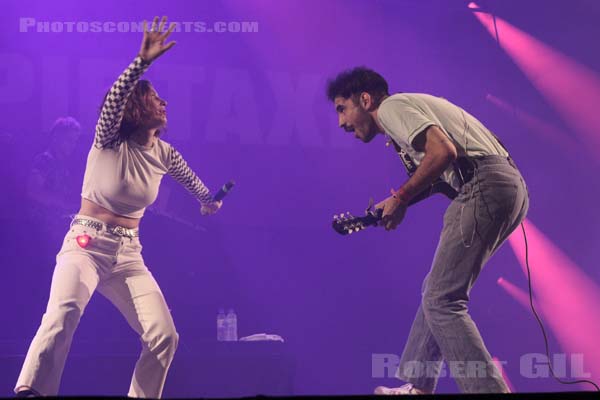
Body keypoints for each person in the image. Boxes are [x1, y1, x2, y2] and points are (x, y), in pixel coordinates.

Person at [15, 16, 222, 398]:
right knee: (62, 316)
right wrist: (141, 62)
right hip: (86, 245)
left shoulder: (164, 154)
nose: (164, 102)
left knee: (163, 334)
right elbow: (114, 98)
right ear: (137, 108)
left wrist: (209, 200)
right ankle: (33, 391)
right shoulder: (108, 137)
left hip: (129, 254)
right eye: (155, 97)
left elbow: (191, 179)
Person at [326, 67, 528, 394]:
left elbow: (443, 151)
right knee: (436, 288)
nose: (341, 123)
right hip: (506, 188)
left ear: (365, 99)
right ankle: (418, 387)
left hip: (485, 185)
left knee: (442, 299)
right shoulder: (407, 113)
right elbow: (440, 172)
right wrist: (394, 202)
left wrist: (402, 196)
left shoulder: (390, 109)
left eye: (341, 109)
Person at [27, 117, 83, 237]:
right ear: (56, 138)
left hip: (56, 226)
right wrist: (61, 202)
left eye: (74, 141)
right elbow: (33, 191)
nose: (73, 145)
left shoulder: (62, 164)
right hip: (42, 228)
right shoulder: (44, 161)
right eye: (69, 140)